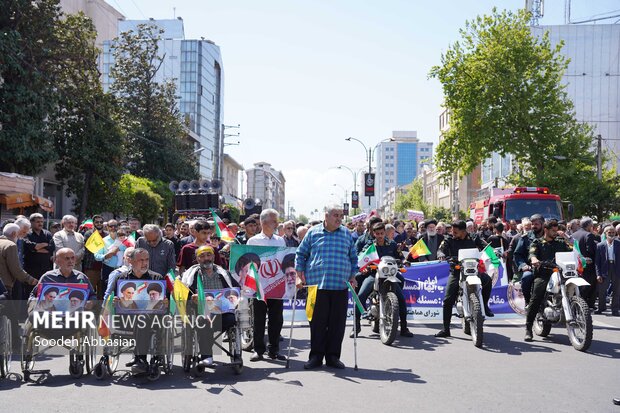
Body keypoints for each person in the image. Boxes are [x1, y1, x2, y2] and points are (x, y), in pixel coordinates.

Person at [296, 205, 358, 370]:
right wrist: (298, 274)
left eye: (341, 215)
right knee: (317, 323)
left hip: (340, 285)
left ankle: (333, 357)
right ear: (326, 216)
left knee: (337, 324)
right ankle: (316, 356)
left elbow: (353, 258)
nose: (339, 218)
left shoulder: (346, 233)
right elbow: (301, 254)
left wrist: (353, 276)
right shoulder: (313, 232)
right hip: (316, 285)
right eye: (335, 215)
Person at [181, 245, 239, 367]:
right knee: (203, 321)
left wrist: (233, 297)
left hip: (223, 312)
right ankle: (207, 356)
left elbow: (236, 290)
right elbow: (183, 296)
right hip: (201, 312)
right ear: (197, 259)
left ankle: (207, 341)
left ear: (213, 257)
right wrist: (192, 298)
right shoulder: (191, 276)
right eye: (202, 256)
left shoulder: (224, 274)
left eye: (208, 255)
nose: (206, 258)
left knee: (231, 320)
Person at [352, 222, 412, 338]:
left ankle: (404, 327)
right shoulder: (370, 245)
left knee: (401, 298)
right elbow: (362, 258)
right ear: (374, 233)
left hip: (391, 274)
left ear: (385, 232)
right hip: (374, 274)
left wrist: (404, 262)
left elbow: (400, 257)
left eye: (382, 233)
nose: (380, 235)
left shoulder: (392, 244)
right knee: (360, 296)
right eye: (377, 233)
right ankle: (356, 326)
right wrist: (365, 267)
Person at [434, 220, 494, 338]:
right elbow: (441, 249)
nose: (453, 233)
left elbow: (485, 246)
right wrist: (441, 254)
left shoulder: (473, 237)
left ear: (464, 231)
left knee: (487, 280)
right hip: (457, 271)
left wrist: (494, 252)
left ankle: (485, 306)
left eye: (455, 232)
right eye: (452, 231)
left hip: (473, 270)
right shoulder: (448, 239)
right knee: (447, 300)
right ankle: (446, 329)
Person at [114, 248, 166, 372]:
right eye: (140, 260)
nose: (144, 263)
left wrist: (165, 302)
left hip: (151, 318)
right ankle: (139, 358)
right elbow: (113, 299)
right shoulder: (122, 278)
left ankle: (140, 358)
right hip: (126, 317)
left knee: (142, 318)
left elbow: (164, 303)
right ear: (131, 261)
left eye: (147, 260)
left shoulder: (156, 278)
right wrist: (115, 300)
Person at [246, 209, 287, 362]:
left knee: (277, 319)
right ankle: (258, 350)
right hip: (260, 286)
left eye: (277, 221)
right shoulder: (253, 241)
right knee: (258, 319)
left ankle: (274, 350)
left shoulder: (280, 240)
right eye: (274, 221)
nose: (277, 224)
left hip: (277, 285)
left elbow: (283, 261)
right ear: (264, 223)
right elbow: (249, 263)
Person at [524, 220, 572, 341]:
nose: (556, 233)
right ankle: (528, 328)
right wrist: (534, 259)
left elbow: (572, 250)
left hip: (560, 273)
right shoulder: (538, 242)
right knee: (537, 296)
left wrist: (566, 238)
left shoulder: (561, 242)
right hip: (544, 274)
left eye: (557, 230)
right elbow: (532, 253)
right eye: (553, 231)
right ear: (546, 230)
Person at [513, 214, 545, 306]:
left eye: (536, 224)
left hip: (548, 267)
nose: (534, 226)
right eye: (532, 224)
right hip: (531, 268)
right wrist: (523, 265)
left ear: (543, 224)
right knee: (526, 277)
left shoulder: (549, 235)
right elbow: (517, 254)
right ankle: (528, 301)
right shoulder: (526, 237)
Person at [94, 219, 127, 301]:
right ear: (107, 227)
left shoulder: (124, 240)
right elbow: (96, 256)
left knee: (122, 292)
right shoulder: (103, 240)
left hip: (122, 269)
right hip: (107, 269)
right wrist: (106, 256)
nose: (113, 228)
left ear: (119, 227)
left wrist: (120, 250)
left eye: (115, 226)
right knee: (107, 291)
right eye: (110, 226)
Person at [23, 213, 55, 296]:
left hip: (45, 269)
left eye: (42, 221)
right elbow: (30, 247)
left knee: (45, 293)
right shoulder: (27, 233)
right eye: (38, 222)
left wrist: (37, 248)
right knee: (30, 293)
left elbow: (51, 248)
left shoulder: (47, 234)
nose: (40, 223)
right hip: (31, 269)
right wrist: (44, 245)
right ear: (31, 222)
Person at [572, 217, 598, 309]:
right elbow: (590, 251)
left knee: (579, 287)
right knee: (589, 286)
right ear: (589, 226)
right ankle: (587, 305)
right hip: (587, 265)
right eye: (592, 225)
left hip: (576, 264)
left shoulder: (574, 234)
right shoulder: (589, 235)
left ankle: (578, 303)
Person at [595, 225, 620, 316]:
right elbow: (597, 262)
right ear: (605, 233)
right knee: (602, 290)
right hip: (604, 269)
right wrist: (598, 274)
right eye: (609, 232)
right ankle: (601, 307)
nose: (611, 234)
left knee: (616, 291)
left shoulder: (619, 243)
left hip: (616, 268)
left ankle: (615, 309)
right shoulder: (600, 245)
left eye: (613, 232)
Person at [81, 215, 107, 300]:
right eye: (97, 222)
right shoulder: (89, 234)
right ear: (93, 223)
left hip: (104, 268)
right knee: (89, 291)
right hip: (91, 267)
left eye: (101, 222)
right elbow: (92, 248)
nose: (99, 224)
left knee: (102, 293)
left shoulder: (107, 235)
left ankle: (99, 312)